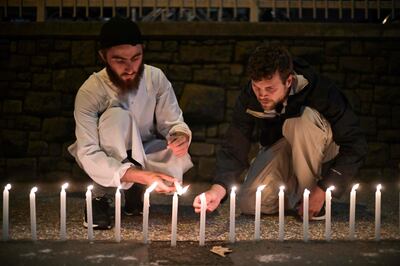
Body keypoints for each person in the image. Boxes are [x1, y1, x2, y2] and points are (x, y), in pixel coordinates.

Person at [193, 45, 367, 220]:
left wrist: (325, 187)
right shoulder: (249, 97)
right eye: (257, 87)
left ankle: (312, 197)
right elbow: (235, 144)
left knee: (298, 124)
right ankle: (296, 197)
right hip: (283, 146)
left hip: (321, 142)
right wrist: (217, 190)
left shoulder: (321, 90)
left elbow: (355, 143)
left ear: (289, 81)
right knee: (250, 203)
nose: (262, 95)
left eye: (270, 89)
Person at [69, 17, 193, 229]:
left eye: (136, 58)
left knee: (173, 153)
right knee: (117, 117)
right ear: (103, 56)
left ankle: (134, 189)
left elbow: (172, 122)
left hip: (145, 151)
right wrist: (142, 175)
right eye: (119, 60)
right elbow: (88, 151)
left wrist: (179, 136)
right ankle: (102, 197)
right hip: (105, 155)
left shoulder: (155, 77)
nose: (130, 68)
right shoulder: (90, 91)